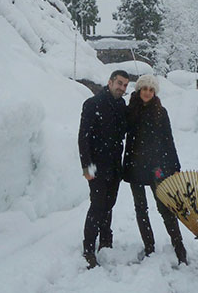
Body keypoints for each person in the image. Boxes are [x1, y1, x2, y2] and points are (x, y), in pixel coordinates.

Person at [122, 74, 187, 265]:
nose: (148, 93)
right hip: (134, 167)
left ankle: (179, 247)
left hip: (156, 168)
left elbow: (168, 140)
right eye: (144, 89)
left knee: (165, 207)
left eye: (151, 90)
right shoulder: (130, 110)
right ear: (139, 90)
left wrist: (175, 166)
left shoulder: (161, 112)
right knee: (140, 208)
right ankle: (149, 246)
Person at [78, 69, 129, 269]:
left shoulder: (121, 104)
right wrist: (87, 167)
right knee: (97, 206)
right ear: (109, 82)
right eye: (119, 83)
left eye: (125, 85)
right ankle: (89, 248)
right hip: (97, 167)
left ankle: (106, 239)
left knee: (109, 204)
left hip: (115, 167)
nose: (122, 88)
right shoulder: (92, 104)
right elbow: (83, 138)